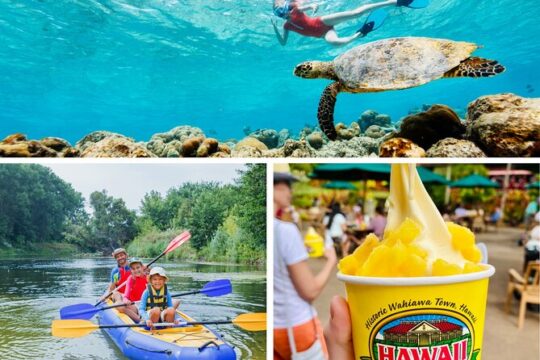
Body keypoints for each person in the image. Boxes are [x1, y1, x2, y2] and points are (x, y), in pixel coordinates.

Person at [274, 168, 337, 360]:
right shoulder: (285, 230)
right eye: (286, 184)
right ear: (274, 188)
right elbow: (309, 291)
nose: (290, 191)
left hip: (274, 331)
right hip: (296, 327)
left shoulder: (277, 228)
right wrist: (331, 261)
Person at [271, 0, 428, 46]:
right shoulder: (286, 26)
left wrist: (313, 6)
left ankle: (395, 2)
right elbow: (283, 43)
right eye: (280, 14)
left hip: (322, 21)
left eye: (283, 11)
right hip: (324, 33)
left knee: (356, 13)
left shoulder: (296, 10)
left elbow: (309, 5)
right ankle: (361, 33)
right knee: (337, 43)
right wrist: (275, 28)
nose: (284, 15)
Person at [118, 258, 148, 322]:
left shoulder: (148, 277)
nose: (136, 270)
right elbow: (126, 295)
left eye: (138, 267)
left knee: (175, 301)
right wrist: (126, 300)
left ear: (142, 267)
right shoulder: (131, 279)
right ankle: (140, 320)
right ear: (131, 270)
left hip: (147, 304)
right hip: (135, 305)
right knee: (121, 307)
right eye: (133, 269)